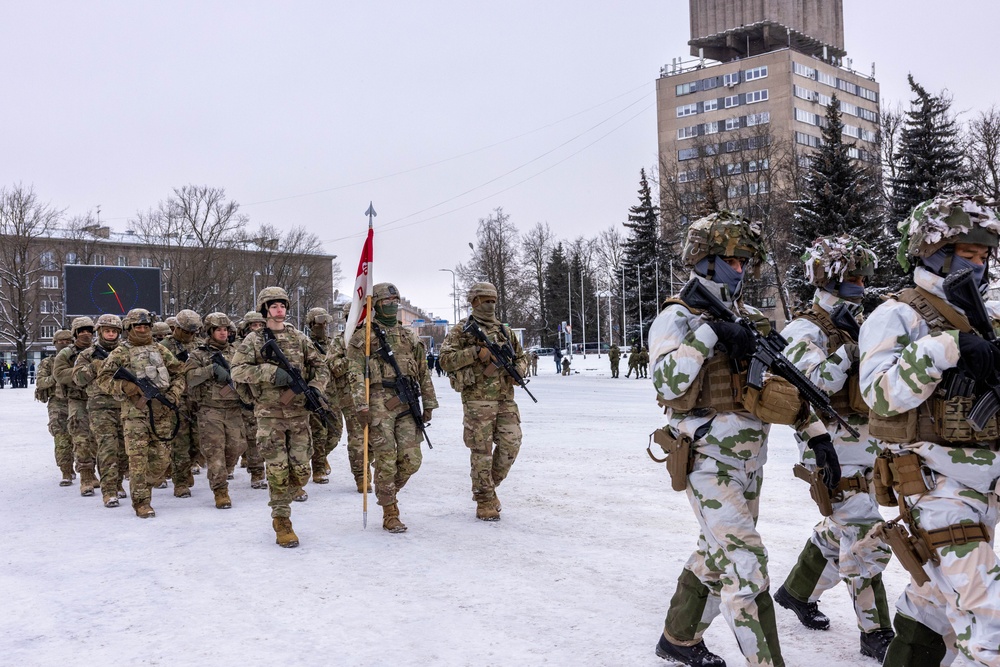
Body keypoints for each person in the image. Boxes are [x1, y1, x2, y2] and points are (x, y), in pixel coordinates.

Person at [649, 211, 818, 666]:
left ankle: (678, 639)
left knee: (715, 551)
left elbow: (786, 389)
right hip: (706, 460)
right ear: (704, 260)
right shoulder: (677, 317)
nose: (740, 270)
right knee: (746, 563)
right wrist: (709, 334)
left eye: (745, 262)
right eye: (732, 261)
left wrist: (817, 437)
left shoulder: (752, 319)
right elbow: (666, 382)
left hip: (750, 463)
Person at [859, 194, 1000, 666]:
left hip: (983, 486)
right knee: (991, 622)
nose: (978, 265)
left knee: (934, 603)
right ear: (934, 252)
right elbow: (878, 395)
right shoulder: (899, 315)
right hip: (933, 487)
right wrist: (945, 348)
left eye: (984, 256)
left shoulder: (986, 318)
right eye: (967, 254)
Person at [774, 235, 894, 661]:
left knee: (841, 528)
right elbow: (812, 385)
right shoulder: (804, 329)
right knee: (865, 534)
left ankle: (796, 591)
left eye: (863, 278)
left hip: (866, 443)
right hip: (828, 446)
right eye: (852, 278)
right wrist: (852, 350)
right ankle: (876, 632)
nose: (861, 285)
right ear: (828, 279)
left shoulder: (859, 322)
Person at [232, 287, 329, 547]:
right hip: (270, 415)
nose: (279, 310)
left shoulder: (299, 338)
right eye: (274, 306)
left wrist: (316, 388)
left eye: (282, 305)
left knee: (301, 470)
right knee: (277, 470)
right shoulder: (254, 340)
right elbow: (237, 371)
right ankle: (282, 520)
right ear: (265, 309)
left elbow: (321, 366)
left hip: (299, 415)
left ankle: (288, 493)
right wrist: (270, 373)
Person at [346, 282, 437, 532]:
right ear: (376, 305)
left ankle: (386, 491)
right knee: (386, 458)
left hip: (407, 402)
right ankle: (390, 512)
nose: (392, 305)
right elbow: (354, 373)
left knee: (411, 460)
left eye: (395, 301)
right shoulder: (363, 337)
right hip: (378, 403)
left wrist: (429, 402)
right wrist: (361, 405)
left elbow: (423, 372)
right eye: (387, 301)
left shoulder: (408, 336)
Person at [439, 282, 527, 522]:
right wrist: (475, 353)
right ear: (474, 301)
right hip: (477, 401)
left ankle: (489, 487)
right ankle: (484, 500)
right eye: (485, 300)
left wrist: (519, 370)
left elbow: (521, 357)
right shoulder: (462, 331)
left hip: (505, 398)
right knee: (482, 452)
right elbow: (445, 360)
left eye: (493, 301)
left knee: (511, 444)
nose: (490, 305)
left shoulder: (504, 331)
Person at [96, 308, 186, 518]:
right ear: (129, 328)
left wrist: (174, 393)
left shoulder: (160, 350)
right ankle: (142, 502)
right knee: (137, 461)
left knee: (161, 460)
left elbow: (179, 372)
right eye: (138, 326)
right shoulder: (121, 352)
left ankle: (145, 486)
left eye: (146, 326)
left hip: (161, 413)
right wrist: (125, 387)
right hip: (134, 415)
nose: (143, 330)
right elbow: (103, 379)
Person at [185, 313, 246, 510]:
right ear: (210, 331)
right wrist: (210, 369)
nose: (223, 333)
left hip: (234, 409)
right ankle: (220, 491)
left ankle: (223, 473)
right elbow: (190, 378)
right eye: (218, 330)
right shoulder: (199, 354)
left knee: (235, 448)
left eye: (225, 329)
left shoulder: (237, 351)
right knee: (215, 452)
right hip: (210, 410)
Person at [72, 314, 129, 508]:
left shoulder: (126, 352)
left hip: (125, 405)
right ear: (100, 332)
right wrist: (94, 367)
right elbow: (78, 379)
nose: (111, 334)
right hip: (100, 407)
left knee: (124, 450)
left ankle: (118, 482)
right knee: (107, 448)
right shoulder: (88, 354)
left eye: (114, 331)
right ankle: (109, 491)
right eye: (107, 331)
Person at [52, 317, 100, 496]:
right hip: (77, 399)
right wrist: (84, 372)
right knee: (81, 438)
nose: (86, 334)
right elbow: (59, 374)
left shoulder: (99, 350)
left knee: (97, 439)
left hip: (98, 399)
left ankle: (96, 472)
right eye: (82, 331)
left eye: (89, 331)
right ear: (75, 333)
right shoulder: (67, 353)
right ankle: (86, 477)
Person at [159, 309, 202, 498]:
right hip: (177, 399)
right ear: (176, 328)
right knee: (180, 442)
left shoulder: (199, 345)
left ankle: (190, 466)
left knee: (198, 441)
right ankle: (181, 481)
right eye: (186, 331)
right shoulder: (164, 347)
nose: (189, 335)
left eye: (193, 332)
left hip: (198, 398)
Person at [330, 301, 371, 493]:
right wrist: (353, 359)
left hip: (378, 395)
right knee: (358, 439)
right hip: (351, 396)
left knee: (377, 438)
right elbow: (333, 367)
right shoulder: (340, 341)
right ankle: (362, 477)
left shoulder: (374, 337)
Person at [304, 307, 343, 487]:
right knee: (319, 434)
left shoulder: (333, 344)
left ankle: (321, 456)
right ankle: (318, 468)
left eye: (325, 323)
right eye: (319, 324)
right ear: (311, 325)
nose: (323, 327)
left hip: (333, 395)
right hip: (315, 395)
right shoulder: (305, 344)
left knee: (336, 432)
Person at [35, 330, 75, 485]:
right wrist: (58, 375)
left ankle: (86, 471)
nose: (64, 344)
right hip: (57, 403)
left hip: (78, 401)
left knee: (82, 438)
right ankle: (66, 470)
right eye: (61, 341)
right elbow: (41, 382)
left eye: (68, 341)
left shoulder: (79, 359)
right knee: (61, 437)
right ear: (55, 343)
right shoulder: (48, 362)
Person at [236, 311, 267, 489]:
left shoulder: (267, 344)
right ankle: (256, 471)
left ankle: (261, 470)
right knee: (250, 437)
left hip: (264, 397)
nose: (258, 328)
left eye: (260, 325)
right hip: (243, 398)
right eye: (254, 325)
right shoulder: (238, 347)